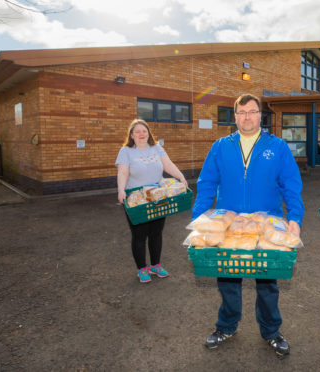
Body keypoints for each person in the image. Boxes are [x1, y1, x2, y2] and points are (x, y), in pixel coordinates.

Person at [192, 93, 304, 357]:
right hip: (229, 226)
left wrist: (295, 219)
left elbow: (291, 186)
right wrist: (199, 219)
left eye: (252, 111)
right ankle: (226, 326)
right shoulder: (220, 146)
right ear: (235, 117)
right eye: (241, 113)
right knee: (228, 280)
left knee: (267, 284)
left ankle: (271, 331)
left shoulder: (277, 147)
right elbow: (206, 184)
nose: (247, 117)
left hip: (267, 226)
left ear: (260, 115)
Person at [116, 119, 188, 283]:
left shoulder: (156, 148)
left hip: (158, 196)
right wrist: (121, 190)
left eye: (144, 131)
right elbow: (123, 172)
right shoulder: (126, 151)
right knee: (139, 234)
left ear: (148, 133)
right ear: (132, 135)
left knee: (156, 233)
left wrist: (180, 176)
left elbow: (167, 164)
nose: (141, 134)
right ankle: (142, 268)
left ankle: (155, 265)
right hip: (137, 198)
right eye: (137, 132)